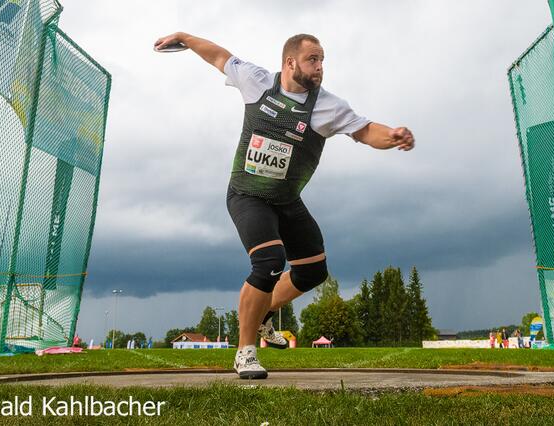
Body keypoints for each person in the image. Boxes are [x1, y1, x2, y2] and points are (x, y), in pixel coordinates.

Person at [155, 32, 415, 379]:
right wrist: (186, 38)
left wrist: (393, 136)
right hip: (247, 194)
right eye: (313, 60)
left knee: (313, 270)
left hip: (287, 200)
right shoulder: (258, 82)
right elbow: (219, 56)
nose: (320, 67)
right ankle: (245, 352)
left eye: (323, 60)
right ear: (291, 62)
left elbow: (366, 131)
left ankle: (263, 313)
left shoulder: (327, 106)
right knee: (269, 260)